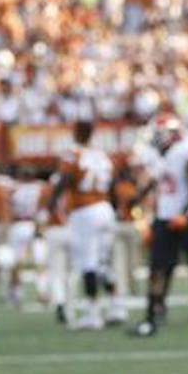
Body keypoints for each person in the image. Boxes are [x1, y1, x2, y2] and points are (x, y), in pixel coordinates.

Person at [132, 113, 188, 337]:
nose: (156, 137)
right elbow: (154, 182)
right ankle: (150, 318)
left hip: (183, 220)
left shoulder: (184, 151)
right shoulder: (159, 156)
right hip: (163, 219)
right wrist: (135, 200)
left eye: (159, 132)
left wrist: (183, 213)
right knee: (156, 269)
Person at [48, 121, 125, 329]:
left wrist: (52, 200)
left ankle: (93, 313)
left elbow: (66, 177)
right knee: (103, 261)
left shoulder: (73, 153)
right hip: (105, 208)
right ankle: (116, 305)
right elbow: (114, 185)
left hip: (84, 211)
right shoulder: (102, 155)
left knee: (88, 263)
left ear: (76, 133)